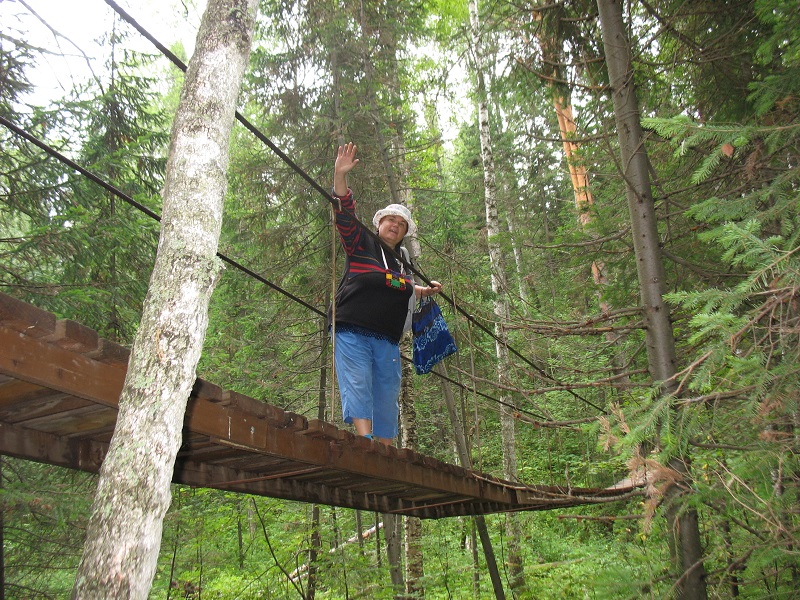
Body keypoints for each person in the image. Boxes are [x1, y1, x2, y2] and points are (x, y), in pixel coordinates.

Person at [330, 142, 442, 446]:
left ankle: (386, 448)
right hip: (352, 327)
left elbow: (396, 285)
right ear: (379, 224)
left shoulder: (403, 261)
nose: (395, 225)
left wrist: (421, 290)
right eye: (390, 220)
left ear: (405, 233)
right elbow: (345, 215)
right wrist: (341, 176)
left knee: (388, 389)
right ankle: (366, 442)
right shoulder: (361, 243)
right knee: (358, 383)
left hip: (387, 337)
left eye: (401, 224)